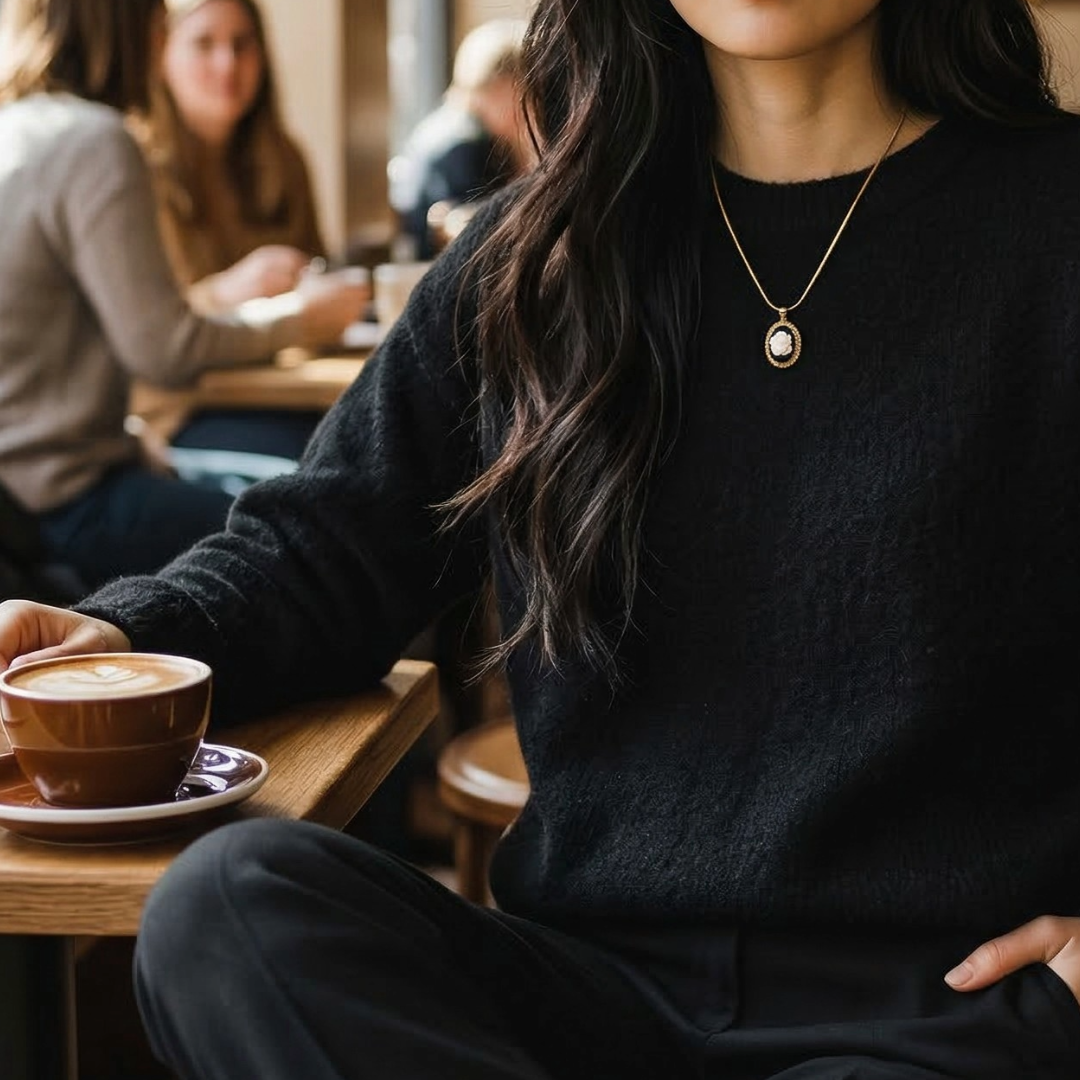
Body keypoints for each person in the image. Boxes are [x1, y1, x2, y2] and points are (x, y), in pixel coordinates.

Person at [3, 0, 1080, 1076]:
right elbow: (319, 556)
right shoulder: (534, 259)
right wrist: (108, 639)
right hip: (590, 992)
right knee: (228, 911)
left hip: (938, 1009)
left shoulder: (1053, 214)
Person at [0, 0, 365, 591]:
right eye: (157, 18)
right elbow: (163, 349)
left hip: (42, 484)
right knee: (335, 527)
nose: (160, 33)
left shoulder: (18, 127)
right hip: (64, 503)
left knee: (310, 487)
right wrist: (299, 320)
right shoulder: (96, 141)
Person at [132, 0, 333, 460]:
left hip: (281, 392)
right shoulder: (135, 167)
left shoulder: (284, 159)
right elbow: (143, 337)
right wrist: (226, 291)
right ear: (163, 52)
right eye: (204, 44)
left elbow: (317, 274)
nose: (228, 64)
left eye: (242, 45)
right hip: (179, 410)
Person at [389, 17, 532, 260]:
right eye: (524, 90)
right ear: (501, 85)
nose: (527, 105)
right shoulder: (463, 143)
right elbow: (469, 228)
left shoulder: (448, 124)